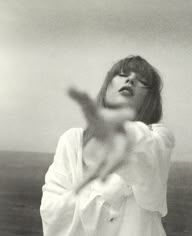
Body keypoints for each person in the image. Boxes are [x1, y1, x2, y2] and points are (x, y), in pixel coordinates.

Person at [40, 55, 175, 236]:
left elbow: (149, 184)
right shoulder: (72, 140)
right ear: (107, 86)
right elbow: (52, 210)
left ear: (149, 99)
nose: (131, 79)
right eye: (122, 74)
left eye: (142, 80)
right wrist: (115, 190)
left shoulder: (158, 137)